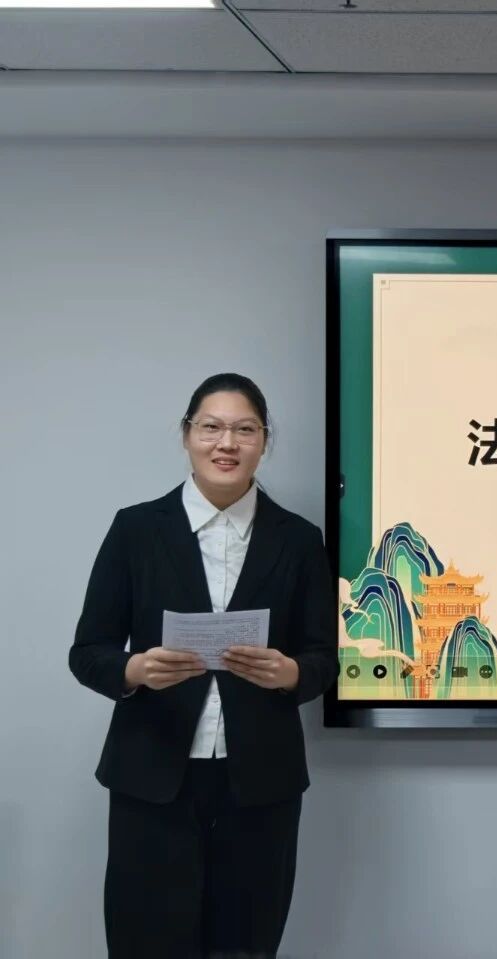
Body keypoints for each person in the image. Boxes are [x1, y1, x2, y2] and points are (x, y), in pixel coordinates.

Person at [69, 373, 339, 958]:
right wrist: (135, 671)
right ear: (187, 434)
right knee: (146, 943)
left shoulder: (298, 539)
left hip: (260, 781)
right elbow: (88, 652)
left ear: (264, 440)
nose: (227, 443)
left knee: (246, 945)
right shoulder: (136, 529)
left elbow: (324, 658)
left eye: (245, 429)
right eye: (211, 427)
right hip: (152, 773)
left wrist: (291, 674)